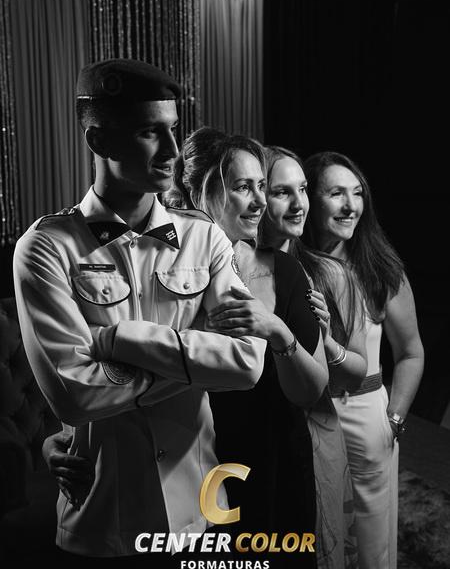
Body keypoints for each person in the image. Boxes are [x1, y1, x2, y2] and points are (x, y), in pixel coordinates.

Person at [13, 59, 266, 562]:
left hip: (200, 511)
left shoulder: (205, 237)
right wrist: (197, 362)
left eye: (173, 129)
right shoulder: (46, 247)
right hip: (104, 519)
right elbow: (74, 395)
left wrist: (119, 341)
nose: (173, 150)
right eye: (151, 132)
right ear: (99, 140)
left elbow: (247, 362)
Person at [44, 126, 328, 569]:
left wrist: (278, 332)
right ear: (196, 191)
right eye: (242, 187)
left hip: (273, 462)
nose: (258, 202)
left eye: (262, 187)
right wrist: (64, 440)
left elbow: (310, 388)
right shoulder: (153, 270)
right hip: (189, 469)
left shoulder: (286, 273)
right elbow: (84, 378)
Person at [209, 144, 367, 569]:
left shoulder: (325, 272)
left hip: (312, 429)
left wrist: (324, 343)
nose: (298, 203)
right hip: (238, 449)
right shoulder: (221, 264)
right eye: (280, 191)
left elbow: (357, 372)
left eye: (303, 189)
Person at [302, 151, 425, 569]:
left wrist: (394, 419)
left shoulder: (379, 269)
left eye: (357, 194)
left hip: (364, 414)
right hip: (307, 413)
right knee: (317, 534)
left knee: (371, 542)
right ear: (310, 198)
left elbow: (411, 352)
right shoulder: (290, 262)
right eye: (336, 193)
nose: (350, 205)